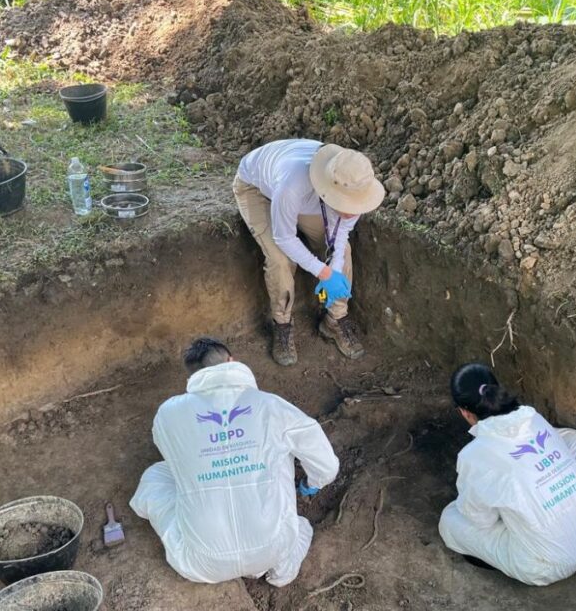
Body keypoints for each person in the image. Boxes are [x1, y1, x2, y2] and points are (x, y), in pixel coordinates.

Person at [130, 337, 339, 586]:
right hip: (271, 547)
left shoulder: (168, 414)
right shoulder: (271, 407)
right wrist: (314, 482)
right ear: (232, 361)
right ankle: (282, 572)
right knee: (297, 516)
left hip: (203, 564)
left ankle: (261, 563)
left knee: (157, 475)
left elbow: (171, 455)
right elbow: (327, 465)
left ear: (193, 375)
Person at [438, 363, 576, 585]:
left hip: (546, 565)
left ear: (464, 412)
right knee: (575, 440)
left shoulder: (472, 456)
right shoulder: (533, 417)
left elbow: (481, 520)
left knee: (450, 520)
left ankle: (518, 545)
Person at [234, 139, 385, 366]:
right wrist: (323, 273)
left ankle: (334, 320)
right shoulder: (293, 186)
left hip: (308, 199)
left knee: (342, 250)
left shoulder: (353, 182)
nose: (351, 211)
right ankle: (282, 323)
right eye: (346, 205)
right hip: (256, 189)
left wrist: (333, 272)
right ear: (330, 192)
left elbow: (340, 234)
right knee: (280, 260)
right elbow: (284, 238)